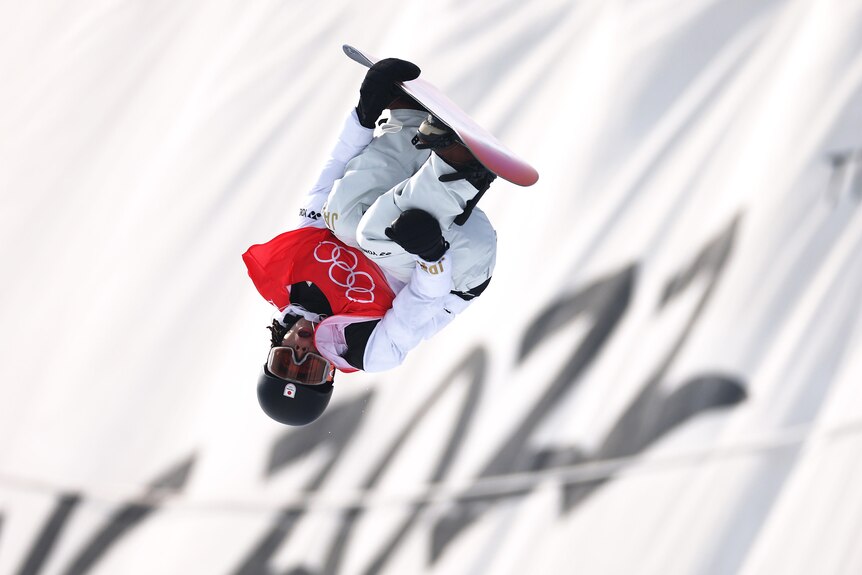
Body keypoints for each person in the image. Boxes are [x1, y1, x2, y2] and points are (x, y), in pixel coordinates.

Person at [243, 58, 497, 426]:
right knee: (372, 235)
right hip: (457, 267)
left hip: (410, 229)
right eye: (309, 368)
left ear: (273, 350)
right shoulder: (368, 350)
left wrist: (364, 116)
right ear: (329, 374)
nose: (300, 350)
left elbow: (327, 184)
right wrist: (430, 254)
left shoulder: (291, 282)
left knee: (340, 215)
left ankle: (408, 120)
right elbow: (427, 298)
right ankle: (460, 167)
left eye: (285, 361)